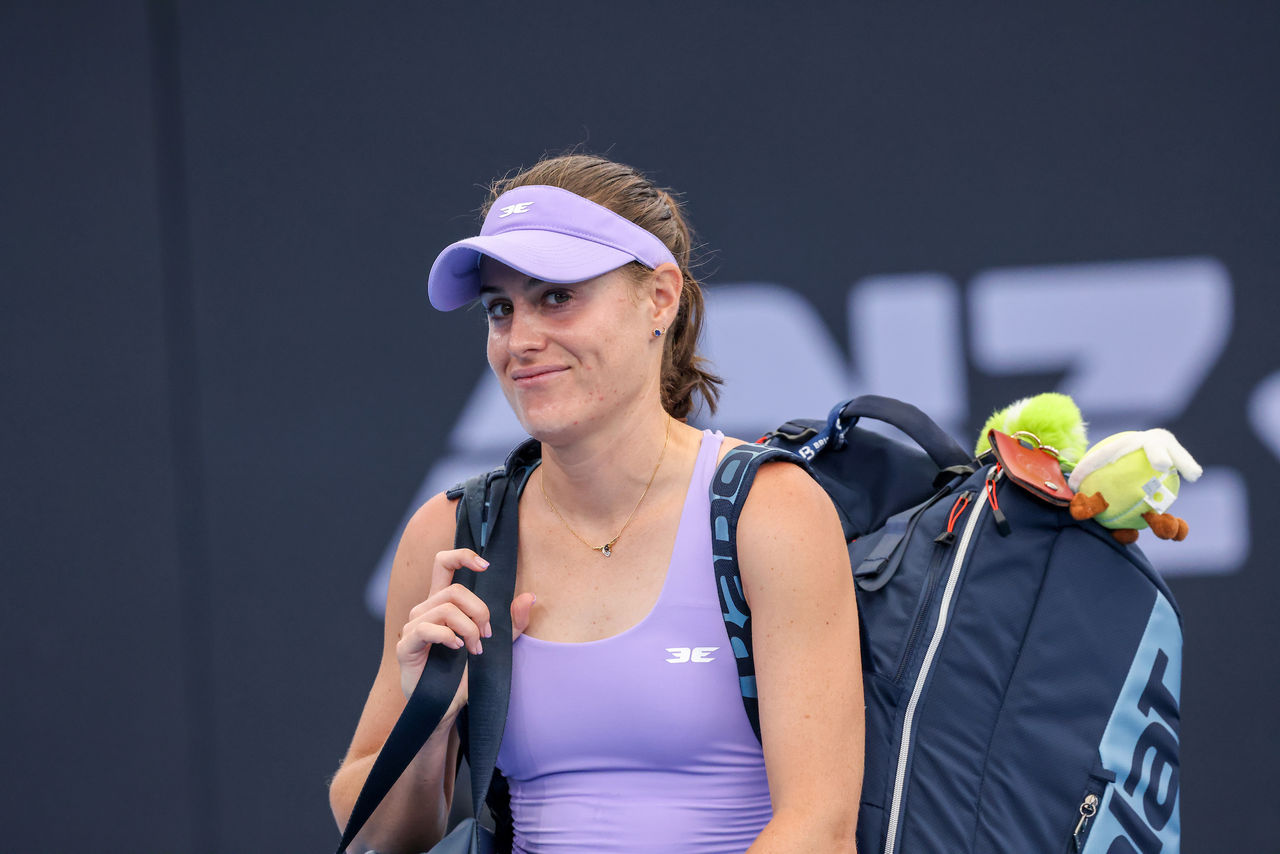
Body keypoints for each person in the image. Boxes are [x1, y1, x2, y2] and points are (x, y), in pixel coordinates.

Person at [329, 153, 864, 853]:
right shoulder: (451, 534)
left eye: (557, 296)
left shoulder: (771, 511)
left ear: (660, 299)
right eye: (500, 308)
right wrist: (429, 713)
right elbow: (378, 839)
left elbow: (818, 832)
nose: (520, 340)